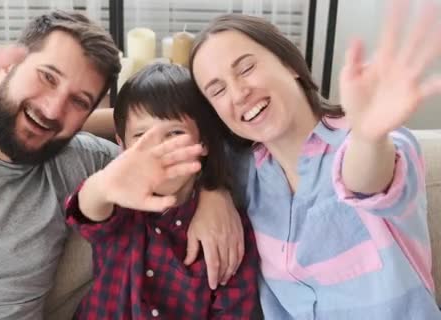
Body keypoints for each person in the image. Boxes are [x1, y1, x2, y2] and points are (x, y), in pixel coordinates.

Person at [0, 1, 244, 319]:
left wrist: (214, 189)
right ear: (7, 67)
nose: (54, 108)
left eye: (79, 101)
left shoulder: (80, 161)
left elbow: (162, 139)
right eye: (48, 77)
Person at [189, 0, 441, 318]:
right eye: (218, 90)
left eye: (246, 68)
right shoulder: (243, 168)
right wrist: (214, 192)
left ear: (289, 64)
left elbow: (366, 179)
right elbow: (150, 125)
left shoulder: (372, 143)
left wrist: (368, 136)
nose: (239, 93)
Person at [65, 63, 261, 319]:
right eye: (141, 136)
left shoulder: (227, 230)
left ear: (204, 142)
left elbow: (235, 310)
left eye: (175, 133)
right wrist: (106, 185)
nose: (159, 150)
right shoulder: (119, 204)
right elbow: (85, 211)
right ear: (122, 145)